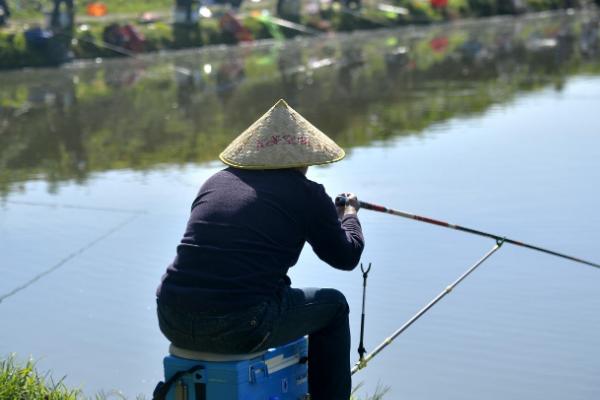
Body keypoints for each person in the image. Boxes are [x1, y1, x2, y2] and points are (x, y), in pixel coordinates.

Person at [156, 99, 364, 400]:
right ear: (305, 157)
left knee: (271, 293)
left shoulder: (215, 182)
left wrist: (324, 217)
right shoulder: (307, 193)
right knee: (334, 306)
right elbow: (347, 256)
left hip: (171, 316)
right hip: (239, 325)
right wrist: (350, 215)